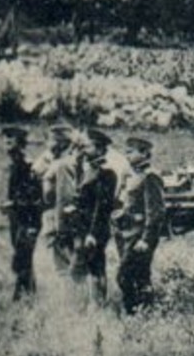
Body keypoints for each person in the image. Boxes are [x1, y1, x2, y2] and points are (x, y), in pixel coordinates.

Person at [112, 136, 166, 314]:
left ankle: (135, 311)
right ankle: (144, 312)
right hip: (128, 232)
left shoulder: (150, 176)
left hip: (140, 234)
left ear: (144, 153)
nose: (126, 155)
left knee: (124, 276)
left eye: (130, 152)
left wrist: (147, 239)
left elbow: (155, 212)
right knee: (140, 275)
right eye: (126, 151)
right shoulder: (134, 175)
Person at [72, 128, 118, 304]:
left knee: (96, 266)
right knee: (90, 265)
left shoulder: (106, 174)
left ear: (99, 149)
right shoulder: (87, 171)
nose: (83, 149)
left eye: (88, 146)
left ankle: (98, 303)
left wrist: (92, 233)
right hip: (84, 226)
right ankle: (93, 302)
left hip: (96, 228)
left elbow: (102, 207)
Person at [0, 126, 45, 301]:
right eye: (5, 139)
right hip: (17, 219)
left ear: (20, 143)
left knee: (22, 262)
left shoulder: (26, 165)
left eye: (11, 140)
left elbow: (34, 198)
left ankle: (21, 299)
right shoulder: (16, 164)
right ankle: (28, 298)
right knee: (23, 260)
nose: (6, 143)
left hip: (27, 220)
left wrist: (14, 204)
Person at [40, 124, 84, 275]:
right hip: (60, 217)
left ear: (61, 143)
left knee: (65, 265)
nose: (48, 144)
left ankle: (71, 297)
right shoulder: (65, 162)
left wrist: (60, 228)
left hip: (60, 220)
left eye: (51, 140)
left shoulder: (62, 165)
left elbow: (63, 197)